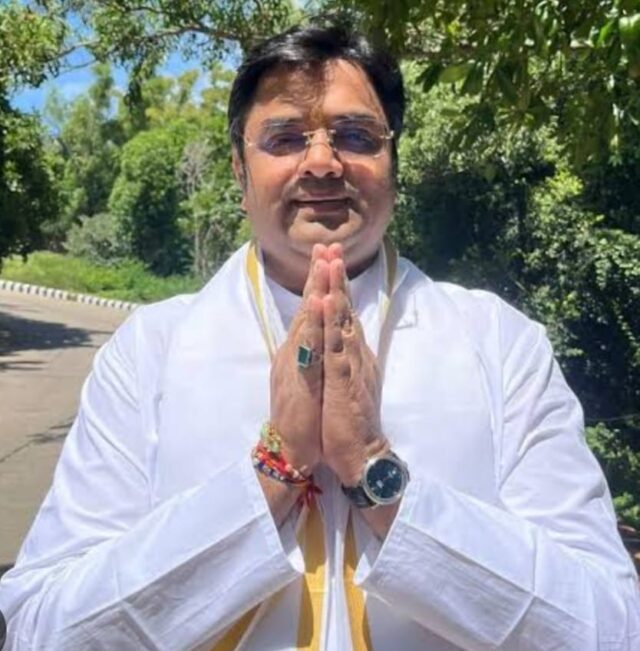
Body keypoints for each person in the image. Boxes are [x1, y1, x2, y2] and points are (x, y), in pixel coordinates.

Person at [0, 19, 639, 651]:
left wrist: (375, 472)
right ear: (239, 170)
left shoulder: (499, 344)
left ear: (393, 164)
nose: (323, 163)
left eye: (357, 136)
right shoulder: (150, 351)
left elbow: (610, 626)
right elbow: (41, 630)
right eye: (284, 138)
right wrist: (273, 473)